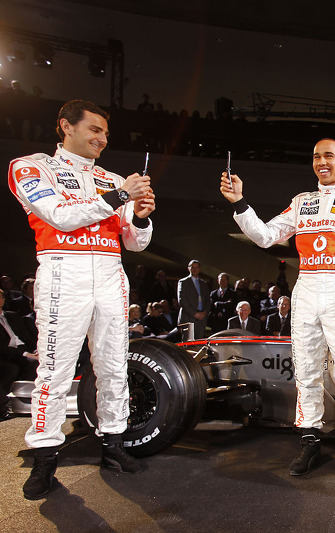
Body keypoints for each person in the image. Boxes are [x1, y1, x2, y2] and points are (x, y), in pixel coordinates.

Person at [8, 99, 155, 500]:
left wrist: (139, 214)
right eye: (94, 130)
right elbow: (58, 215)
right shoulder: (32, 166)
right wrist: (118, 197)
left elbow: (135, 242)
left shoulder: (110, 178)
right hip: (63, 271)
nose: (102, 139)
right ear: (65, 127)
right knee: (54, 370)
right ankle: (44, 456)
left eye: (105, 133)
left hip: (110, 273)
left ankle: (113, 445)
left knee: (113, 367)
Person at [219, 138, 335, 478]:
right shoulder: (301, 202)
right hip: (307, 287)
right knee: (306, 372)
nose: (321, 161)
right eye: (316, 156)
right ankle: (309, 439)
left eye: (329, 156)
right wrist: (239, 203)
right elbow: (266, 236)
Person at [0, 288, 38, 420]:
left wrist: (35, 350)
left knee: (38, 361)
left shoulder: (12, 316)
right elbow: (3, 348)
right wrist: (26, 354)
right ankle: (7, 402)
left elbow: (26, 338)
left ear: (3, 300)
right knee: (13, 368)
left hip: (22, 351)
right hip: (8, 354)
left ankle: (31, 400)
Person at [177, 260, 210, 339]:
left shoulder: (203, 283)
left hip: (201, 319)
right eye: (192, 267)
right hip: (189, 318)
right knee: (188, 345)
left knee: (199, 344)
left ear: (199, 269)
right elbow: (182, 300)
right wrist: (194, 313)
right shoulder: (183, 282)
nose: (195, 269)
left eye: (197, 267)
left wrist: (205, 312)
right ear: (189, 269)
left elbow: (208, 300)